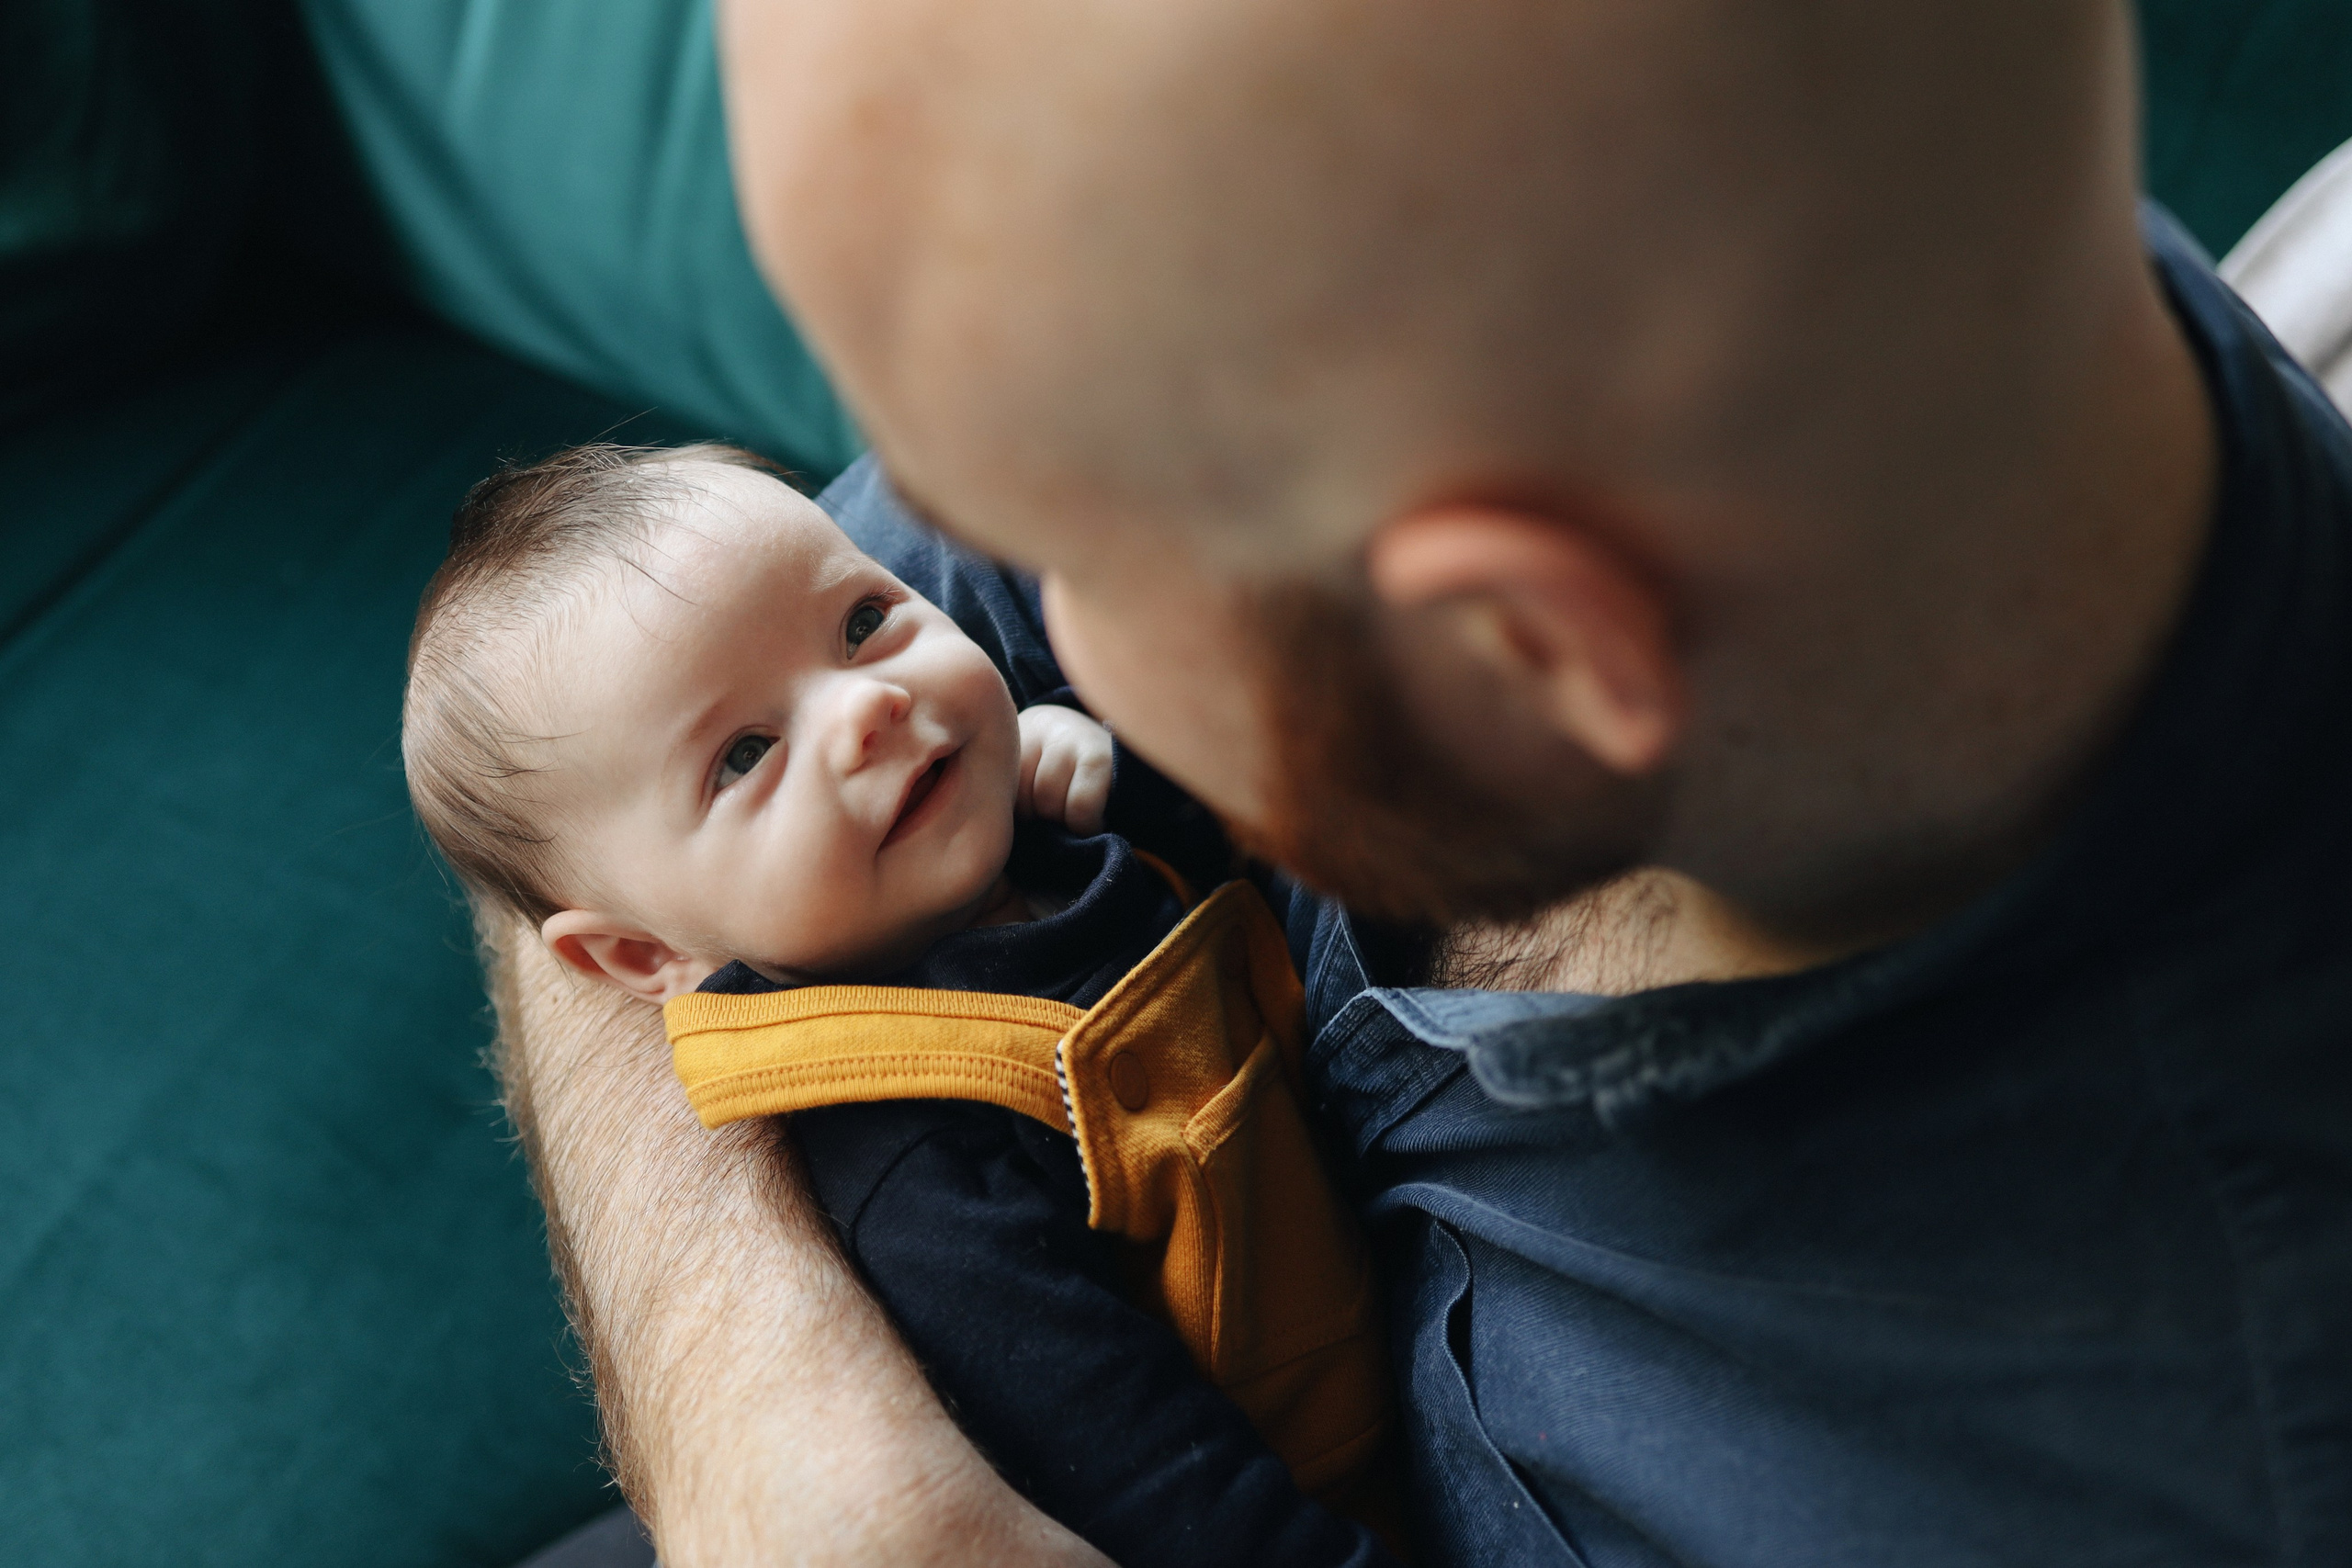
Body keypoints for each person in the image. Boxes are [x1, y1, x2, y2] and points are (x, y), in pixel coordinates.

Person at [492, 1, 2352, 1562]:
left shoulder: (2037, 1476)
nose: (946, 623)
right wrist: (770, 1420)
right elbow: (596, 768)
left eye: (1050, 545)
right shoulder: (1778, 344)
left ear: (1522, 650)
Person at [401, 443, 1402, 1567]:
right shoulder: (914, 1162)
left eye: (864, 621)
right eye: (743, 756)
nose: (868, 707)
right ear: (642, 955)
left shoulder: (1032, 835)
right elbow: (1161, 1489)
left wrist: (1089, 761)